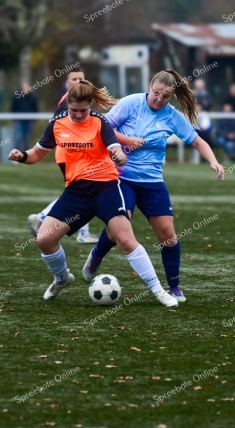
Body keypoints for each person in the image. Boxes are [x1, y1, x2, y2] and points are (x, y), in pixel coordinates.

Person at [7, 80, 179, 307]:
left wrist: (119, 156)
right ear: (67, 105)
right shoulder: (57, 124)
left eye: (83, 110)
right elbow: (37, 153)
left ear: (90, 106)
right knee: (44, 239)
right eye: (74, 110)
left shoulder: (100, 122)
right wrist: (21, 156)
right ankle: (61, 279)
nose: (78, 115)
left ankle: (159, 292)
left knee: (126, 240)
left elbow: (118, 151)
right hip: (76, 192)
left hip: (105, 188)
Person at [82, 69, 225, 302]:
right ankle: (96, 255)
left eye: (165, 97)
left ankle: (175, 287)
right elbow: (101, 128)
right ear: (150, 86)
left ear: (172, 97)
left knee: (168, 234)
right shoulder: (131, 103)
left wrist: (214, 161)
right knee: (121, 225)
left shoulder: (172, 116)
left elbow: (198, 142)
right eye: (156, 93)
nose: (159, 99)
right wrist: (126, 141)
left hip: (152, 182)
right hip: (121, 177)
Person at [27, 67, 98, 244]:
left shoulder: (79, 100)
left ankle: (45, 218)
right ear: (67, 83)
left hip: (74, 155)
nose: (78, 82)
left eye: (81, 78)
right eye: (74, 79)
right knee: (82, 193)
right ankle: (44, 217)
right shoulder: (68, 101)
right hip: (69, 155)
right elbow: (56, 125)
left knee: (80, 193)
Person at [11, 84, 38, 152]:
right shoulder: (17, 97)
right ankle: (15, 155)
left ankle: (26, 156)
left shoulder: (32, 98)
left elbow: (35, 109)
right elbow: (13, 108)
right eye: (24, 88)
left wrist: (33, 119)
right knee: (18, 138)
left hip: (29, 122)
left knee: (27, 139)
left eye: (27, 88)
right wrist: (15, 119)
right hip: (19, 121)